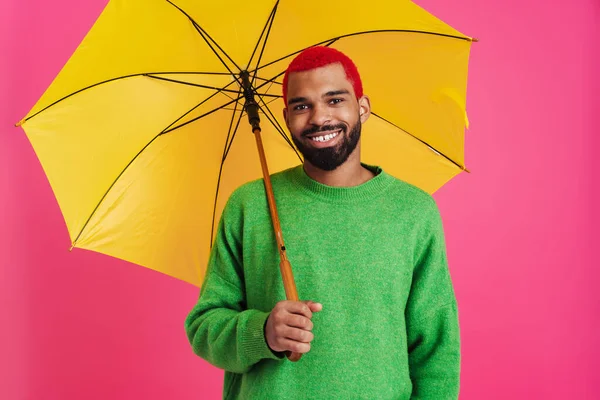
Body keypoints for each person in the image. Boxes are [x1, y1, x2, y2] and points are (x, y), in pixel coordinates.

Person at [185, 46, 460, 399]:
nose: (318, 118)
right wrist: (263, 331)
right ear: (286, 117)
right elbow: (204, 328)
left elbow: (436, 349)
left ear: (362, 108)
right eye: (302, 106)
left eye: (334, 100)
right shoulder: (249, 205)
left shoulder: (413, 211)